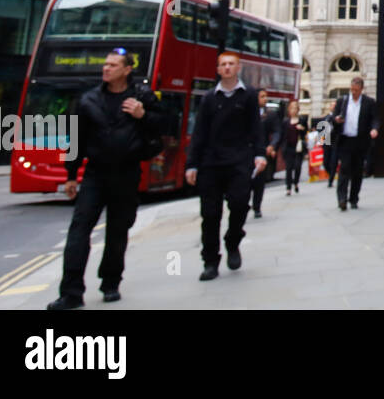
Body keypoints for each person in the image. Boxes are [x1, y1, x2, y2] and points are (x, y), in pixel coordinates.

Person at [47, 49, 160, 310]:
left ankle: (111, 282)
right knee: (79, 230)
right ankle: (71, 292)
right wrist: (71, 176)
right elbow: (76, 140)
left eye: (112, 65)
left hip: (127, 173)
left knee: (118, 231)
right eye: (105, 65)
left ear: (126, 69)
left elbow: (166, 125)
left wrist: (143, 115)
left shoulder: (142, 96)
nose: (106, 69)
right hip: (95, 174)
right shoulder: (89, 100)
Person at [185, 52, 266, 281]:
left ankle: (232, 241)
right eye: (223, 64)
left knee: (240, 205)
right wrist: (192, 165)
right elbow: (199, 133)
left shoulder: (249, 96)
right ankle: (210, 261)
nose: (227, 68)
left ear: (238, 67)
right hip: (211, 162)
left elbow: (255, 128)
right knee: (210, 215)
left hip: (239, 160)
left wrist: (259, 153)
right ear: (218, 69)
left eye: (231, 64)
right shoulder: (209, 98)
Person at [332, 78, 379, 211]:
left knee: (357, 172)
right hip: (345, 140)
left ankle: (353, 199)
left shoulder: (369, 102)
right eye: (352, 89)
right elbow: (333, 117)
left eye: (356, 90)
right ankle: (342, 199)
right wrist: (337, 120)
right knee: (344, 170)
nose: (353, 92)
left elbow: (375, 118)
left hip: (360, 142)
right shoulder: (343, 101)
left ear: (361, 89)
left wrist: (374, 129)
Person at [250, 89, 282, 217]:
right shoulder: (247, 113)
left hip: (262, 151)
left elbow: (276, 131)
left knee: (259, 181)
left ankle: (257, 206)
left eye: (266, 96)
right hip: (246, 151)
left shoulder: (270, 115)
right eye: (262, 96)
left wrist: (272, 145)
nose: (265, 99)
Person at [281, 100, 308, 195]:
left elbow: (306, 133)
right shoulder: (285, 121)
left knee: (297, 166)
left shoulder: (302, 120)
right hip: (288, 147)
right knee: (288, 168)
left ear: (298, 109)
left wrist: (302, 129)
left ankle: (296, 182)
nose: (293, 110)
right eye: (292, 108)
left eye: (295, 108)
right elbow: (282, 135)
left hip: (298, 147)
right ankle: (288, 187)